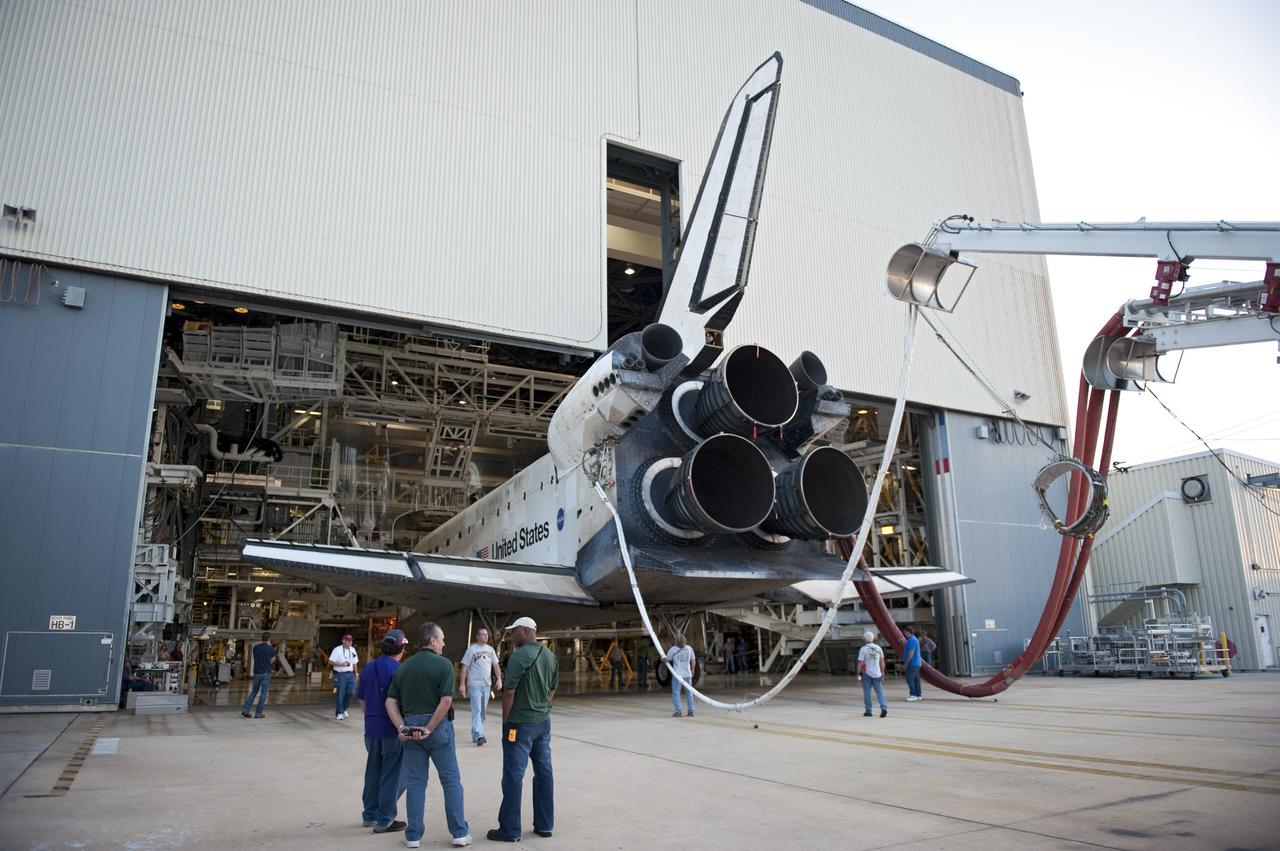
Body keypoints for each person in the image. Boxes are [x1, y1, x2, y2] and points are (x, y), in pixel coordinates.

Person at [385, 624, 471, 848]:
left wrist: (401, 727)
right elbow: (446, 700)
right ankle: (459, 832)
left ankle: (413, 836)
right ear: (432, 640)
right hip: (437, 728)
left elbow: (390, 701)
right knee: (450, 780)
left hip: (410, 726)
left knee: (415, 783)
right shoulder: (443, 665)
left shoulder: (404, 667)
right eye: (441, 639)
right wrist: (430, 727)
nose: (444, 643)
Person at [488, 616, 558, 843]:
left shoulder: (518, 656)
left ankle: (510, 829)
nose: (511, 635)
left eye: (514, 631)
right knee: (544, 772)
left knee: (513, 775)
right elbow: (552, 689)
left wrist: (506, 723)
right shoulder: (550, 656)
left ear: (526, 631)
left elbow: (509, 692)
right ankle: (545, 825)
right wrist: (543, 708)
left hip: (519, 725)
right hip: (542, 723)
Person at [359, 628, 409, 834]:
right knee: (392, 775)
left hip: (371, 729)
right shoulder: (400, 670)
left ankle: (369, 815)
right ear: (402, 649)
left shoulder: (369, 667)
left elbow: (362, 699)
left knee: (373, 772)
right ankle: (385, 819)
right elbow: (403, 702)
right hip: (391, 730)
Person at [460, 627, 502, 746]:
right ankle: (479, 734)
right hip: (474, 684)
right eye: (483, 634)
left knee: (482, 712)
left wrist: (499, 679)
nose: (485, 636)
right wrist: (462, 684)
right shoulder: (471, 650)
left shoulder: (490, 650)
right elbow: (464, 667)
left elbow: (496, 665)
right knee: (477, 710)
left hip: (487, 684)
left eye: (486, 635)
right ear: (477, 636)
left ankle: (476, 733)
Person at [241, 632, 274, 718]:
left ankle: (245, 710)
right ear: (269, 639)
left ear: (262, 638)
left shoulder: (255, 647)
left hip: (257, 672)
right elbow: (272, 659)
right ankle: (258, 713)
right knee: (263, 693)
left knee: (254, 691)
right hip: (266, 673)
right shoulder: (270, 648)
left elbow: (256, 658)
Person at [665, 634, 696, 718]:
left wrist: (662, 659)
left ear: (675, 641)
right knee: (689, 693)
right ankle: (691, 711)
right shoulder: (689, 648)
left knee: (676, 693)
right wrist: (692, 670)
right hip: (687, 674)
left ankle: (678, 711)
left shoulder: (673, 649)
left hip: (677, 675)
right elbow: (693, 660)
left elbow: (667, 659)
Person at [858, 631, 888, 718]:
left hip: (866, 674)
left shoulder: (863, 649)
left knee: (867, 692)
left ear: (865, 639)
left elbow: (860, 662)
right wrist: (883, 672)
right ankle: (883, 707)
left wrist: (858, 673)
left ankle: (868, 711)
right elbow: (882, 662)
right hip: (877, 673)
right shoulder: (878, 648)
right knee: (880, 691)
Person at [329, 633, 359, 720]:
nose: (350, 643)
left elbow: (355, 663)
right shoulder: (337, 650)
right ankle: (339, 713)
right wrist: (341, 664)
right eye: (348, 641)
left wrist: (356, 674)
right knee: (340, 693)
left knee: (351, 692)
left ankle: (344, 708)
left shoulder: (353, 650)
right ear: (343, 641)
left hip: (350, 674)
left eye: (351, 641)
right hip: (340, 674)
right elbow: (330, 661)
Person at [901, 626, 923, 701]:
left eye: (905, 632)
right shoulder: (913, 639)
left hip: (912, 663)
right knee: (916, 680)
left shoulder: (911, 640)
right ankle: (918, 695)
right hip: (916, 663)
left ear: (908, 632)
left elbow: (911, 652)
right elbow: (909, 648)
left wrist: (907, 662)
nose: (904, 633)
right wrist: (904, 643)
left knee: (910, 679)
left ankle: (913, 695)